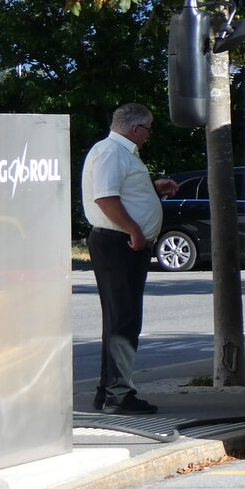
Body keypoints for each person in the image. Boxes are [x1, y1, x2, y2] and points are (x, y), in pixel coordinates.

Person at [81, 103, 179, 415]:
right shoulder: (112, 151)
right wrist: (134, 230)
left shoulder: (120, 152)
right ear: (135, 129)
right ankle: (118, 396)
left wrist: (153, 188)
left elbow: (122, 192)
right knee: (122, 320)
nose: (149, 136)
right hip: (118, 243)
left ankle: (108, 391)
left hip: (121, 242)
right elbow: (105, 197)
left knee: (120, 319)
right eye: (149, 129)